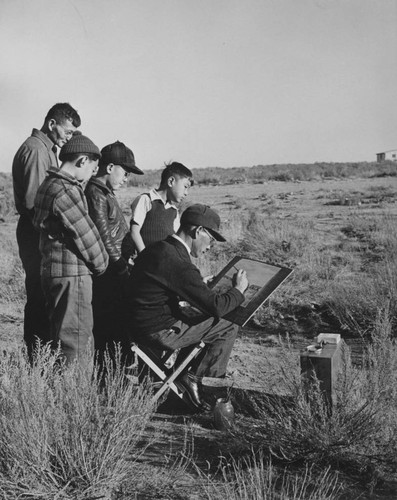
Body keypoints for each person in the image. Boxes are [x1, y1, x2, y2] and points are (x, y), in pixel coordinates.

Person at [124, 204, 248, 410]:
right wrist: (238, 290)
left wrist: (200, 287)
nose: (210, 246)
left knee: (199, 316)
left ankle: (185, 376)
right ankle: (204, 384)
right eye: (211, 239)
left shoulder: (160, 248)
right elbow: (217, 307)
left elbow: (168, 285)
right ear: (198, 231)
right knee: (227, 324)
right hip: (157, 332)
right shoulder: (176, 260)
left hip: (138, 326)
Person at [12, 103, 81, 359]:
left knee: (45, 297)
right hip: (35, 233)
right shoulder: (36, 151)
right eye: (68, 131)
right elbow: (34, 205)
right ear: (52, 124)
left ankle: (42, 357)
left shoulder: (46, 149)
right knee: (40, 298)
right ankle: (37, 361)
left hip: (38, 232)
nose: (69, 137)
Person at [33, 134, 108, 365]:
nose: (92, 174)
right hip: (72, 276)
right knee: (75, 344)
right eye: (92, 168)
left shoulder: (48, 184)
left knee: (61, 339)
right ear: (82, 160)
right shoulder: (65, 189)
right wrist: (102, 265)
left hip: (55, 272)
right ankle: (73, 398)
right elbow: (87, 236)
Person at [85, 141, 143, 366]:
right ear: (109, 168)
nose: (126, 178)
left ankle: (114, 373)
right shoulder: (96, 192)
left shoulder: (105, 193)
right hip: (109, 274)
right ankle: (107, 379)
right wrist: (121, 269)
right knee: (108, 328)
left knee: (116, 327)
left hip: (115, 270)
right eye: (125, 172)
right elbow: (103, 237)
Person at [129, 162, 193, 254]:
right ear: (171, 181)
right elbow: (134, 232)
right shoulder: (146, 200)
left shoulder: (174, 211)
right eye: (185, 187)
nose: (186, 193)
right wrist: (144, 257)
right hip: (146, 263)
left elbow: (176, 241)